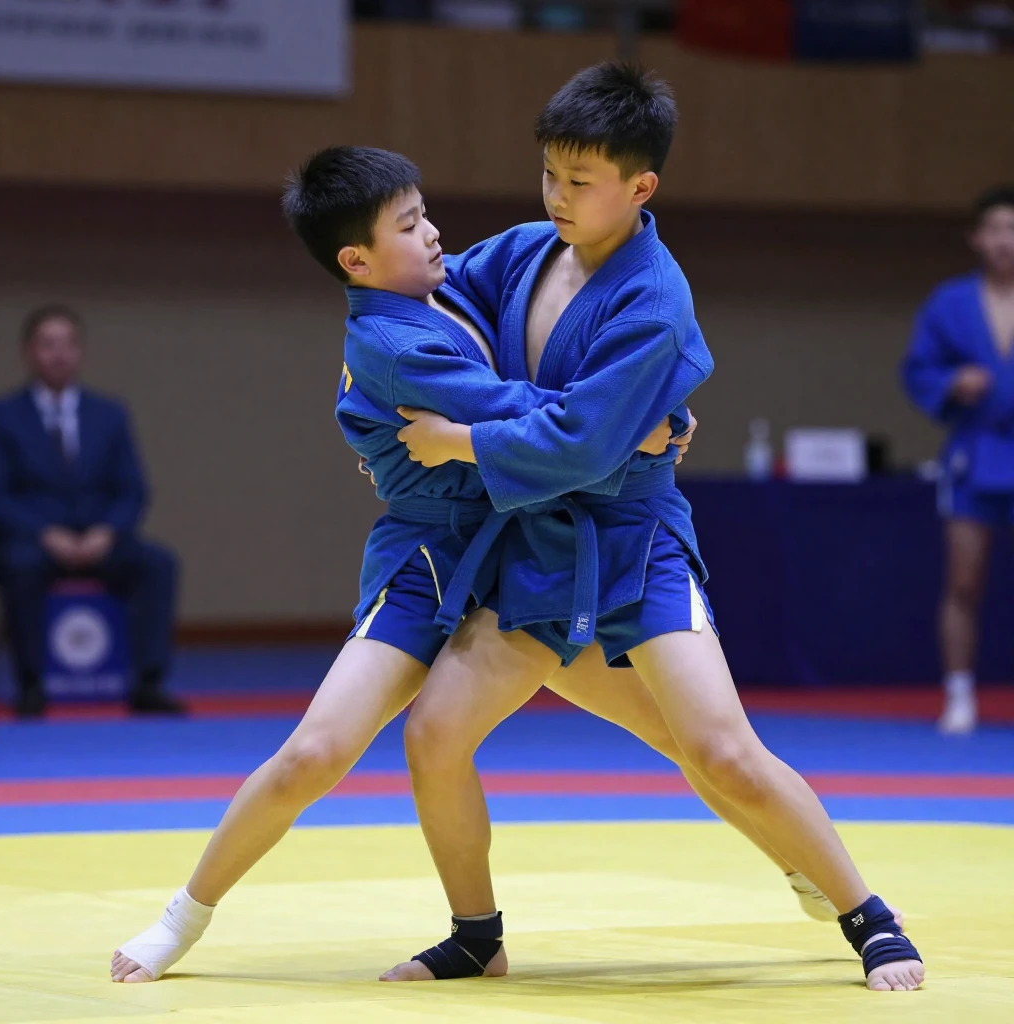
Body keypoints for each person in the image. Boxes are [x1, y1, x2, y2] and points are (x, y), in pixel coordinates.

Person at [111, 146, 841, 986]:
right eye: (409, 225)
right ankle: (184, 917)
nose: (433, 234)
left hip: (525, 546)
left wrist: (649, 406)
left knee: (678, 733)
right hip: (429, 559)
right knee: (317, 750)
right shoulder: (391, 342)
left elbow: (567, 357)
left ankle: (798, 864)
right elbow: (534, 414)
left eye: (423, 213)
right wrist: (635, 420)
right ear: (357, 260)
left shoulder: (449, 280)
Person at [381, 63, 923, 992]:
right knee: (434, 732)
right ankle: (476, 935)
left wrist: (458, 440)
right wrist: (366, 351)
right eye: (548, 173)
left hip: (633, 543)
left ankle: (866, 915)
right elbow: (426, 305)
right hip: (534, 550)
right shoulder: (522, 252)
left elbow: (584, 445)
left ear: (641, 187)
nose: (557, 195)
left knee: (717, 749)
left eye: (579, 181)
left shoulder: (655, 301)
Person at [0, 306, 182, 718]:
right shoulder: (2, 416)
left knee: (158, 564)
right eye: (48, 345)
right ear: (29, 352)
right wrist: (44, 533)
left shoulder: (109, 414)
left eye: (67, 344)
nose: (58, 354)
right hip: (35, 541)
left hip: (101, 538)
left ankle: (148, 683)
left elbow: (133, 489)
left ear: (80, 352)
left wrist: (107, 531)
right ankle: (30, 685)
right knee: (17, 566)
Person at [902, 187, 1014, 736]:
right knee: (964, 582)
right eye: (996, 229)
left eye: (1013, 229)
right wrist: (952, 383)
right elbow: (919, 369)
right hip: (975, 455)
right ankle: (960, 694)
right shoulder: (950, 302)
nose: (1005, 240)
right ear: (976, 238)